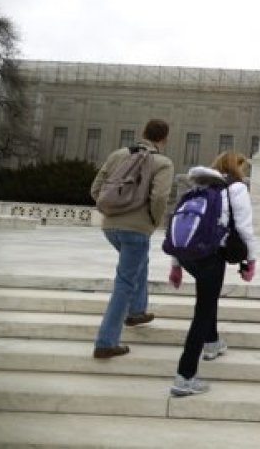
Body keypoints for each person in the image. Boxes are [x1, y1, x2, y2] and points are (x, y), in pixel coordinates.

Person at [167, 150, 257, 396]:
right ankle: (185, 376)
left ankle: (212, 342)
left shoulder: (195, 189)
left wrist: (175, 265)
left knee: (208, 296)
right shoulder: (236, 189)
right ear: (237, 167)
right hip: (210, 256)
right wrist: (251, 260)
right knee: (202, 312)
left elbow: (179, 224)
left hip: (188, 256)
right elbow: (245, 228)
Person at [90, 119, 174, 359]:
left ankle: (137, 311)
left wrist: (109, 209)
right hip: (137, 229)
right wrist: (153, 221)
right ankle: (106, 341)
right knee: (124, 283)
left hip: (111, 227)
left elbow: (96, 189)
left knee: (138, 262)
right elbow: (160, 197)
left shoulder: (118, 155)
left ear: (143, 133)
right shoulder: (162, 162)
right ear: (164, 139)